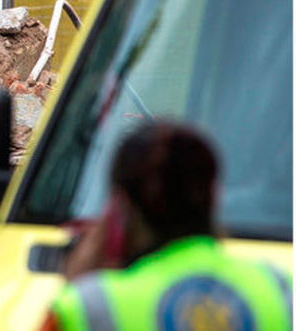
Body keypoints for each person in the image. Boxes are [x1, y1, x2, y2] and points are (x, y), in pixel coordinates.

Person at [42, 122, 292, 331]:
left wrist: (77, 281)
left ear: (120, 207)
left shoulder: (86, 308)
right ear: (215, 195)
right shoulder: (280, 291)